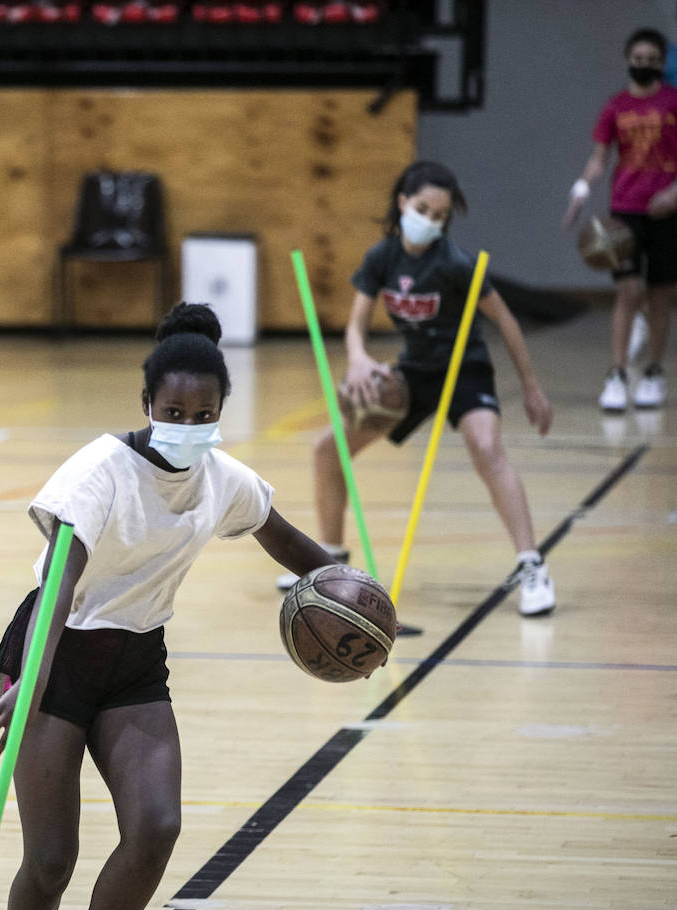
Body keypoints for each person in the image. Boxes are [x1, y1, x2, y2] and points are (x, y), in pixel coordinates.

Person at [0, 303, 349, 910]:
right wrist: (32, 684)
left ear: (221, 413)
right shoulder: (99, 471)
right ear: (146, 402)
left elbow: (285, 540)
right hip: (54, 651)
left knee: (156, 828)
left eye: (204, 416)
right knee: (49, 863)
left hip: (135, 660)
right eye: (173, 413)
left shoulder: (224, 478)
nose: (188, 426)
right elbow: (61, 589)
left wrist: (358, 592)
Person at [279, 161, 555, 617]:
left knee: (486, 448)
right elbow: (355, 326)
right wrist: (362, 359)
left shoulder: (455, 263)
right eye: (423, 208)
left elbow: (504, 319)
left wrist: (531, 387)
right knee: (327, 448)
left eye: (440, 215)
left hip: (464, 371)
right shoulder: (382, 258)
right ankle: (327, 560)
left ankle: (532, 566)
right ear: (404, 203)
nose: (430, 220)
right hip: (414, 374)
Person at [563, 27, 677, 411]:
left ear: (662, 64)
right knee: (628, 292)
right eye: (637, 58)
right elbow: (600, 157)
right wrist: (581, 189)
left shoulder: (674, 102)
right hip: (624, 210)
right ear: (627, 60)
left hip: (666, 210)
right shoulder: (615, 107)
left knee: (661, 294)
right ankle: (617, 374)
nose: (643, 64)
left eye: (651, 60)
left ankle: (654, 372)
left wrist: (674, 193)